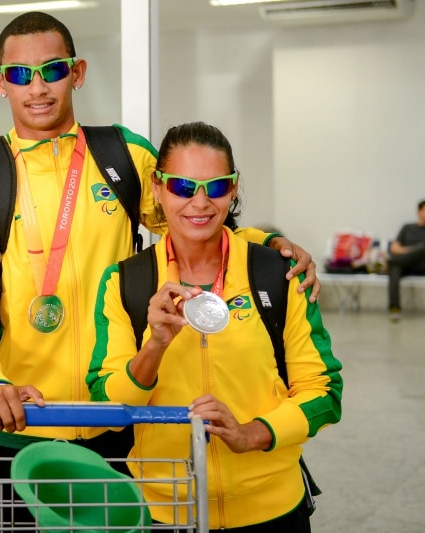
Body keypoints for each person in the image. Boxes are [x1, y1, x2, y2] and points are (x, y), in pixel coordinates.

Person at [0, 11, 321, 528]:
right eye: (21, 74)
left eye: (54, 69)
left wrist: (266, 245)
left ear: (79, 72)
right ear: (1, 82)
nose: (39, 86)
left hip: (122, 422)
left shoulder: (123, 155)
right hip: (25, 426)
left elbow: (196, 215)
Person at [87, 121, 343, 531]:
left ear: (235, 187)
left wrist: (253, 434)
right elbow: (111, 408)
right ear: (157, 187)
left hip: (272, 510)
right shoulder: (125, 283)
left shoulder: (277, 273)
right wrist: (154, 346)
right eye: (183, 187)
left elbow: (325, 392)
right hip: (164, 511)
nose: (201, 202)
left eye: (217, 187)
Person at [387, 199, 425, 322]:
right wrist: (411, 251)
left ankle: (389, 262)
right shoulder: (407, 228)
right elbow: (394, 248)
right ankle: (394, 308)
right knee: (394, 268)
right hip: (405, 264)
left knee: (423, 247)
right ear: (419, 212)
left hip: (423, 264)